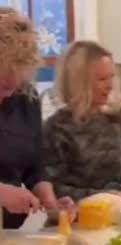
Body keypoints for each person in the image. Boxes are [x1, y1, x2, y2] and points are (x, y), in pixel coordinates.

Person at [42, 41, 121, 202]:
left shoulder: (115, 115)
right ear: (79, 83)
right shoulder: (57, 128)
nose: (110, 86)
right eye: (102, 79)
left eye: (111, 77)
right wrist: (99, 197)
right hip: (80, 219)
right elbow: (53, 188)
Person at [0, 7, 73, 228]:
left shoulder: (26, 98)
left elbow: (33, 165)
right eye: (2, 78)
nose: (10, 90)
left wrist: (50, 201)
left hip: (9, 233)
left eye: (17, 77)